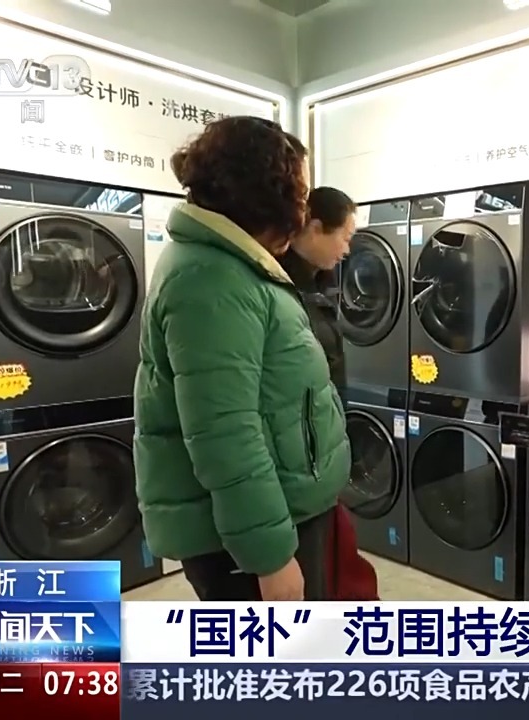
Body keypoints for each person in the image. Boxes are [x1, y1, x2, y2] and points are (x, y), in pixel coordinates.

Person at [133, 116, 350, 601]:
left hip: (277, 511)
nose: (302, 208)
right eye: (299, 193)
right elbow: (226, 433)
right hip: (247, 536)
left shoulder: (232, 265)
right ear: (266, 194)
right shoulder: (212, 280)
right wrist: (269, 556)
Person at [280, 186, 381, 601]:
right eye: (345, 236)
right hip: (299, 470)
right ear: (315, 228)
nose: (348, 249)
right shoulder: (278, 288)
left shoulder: (315, 284)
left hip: (318, 462)